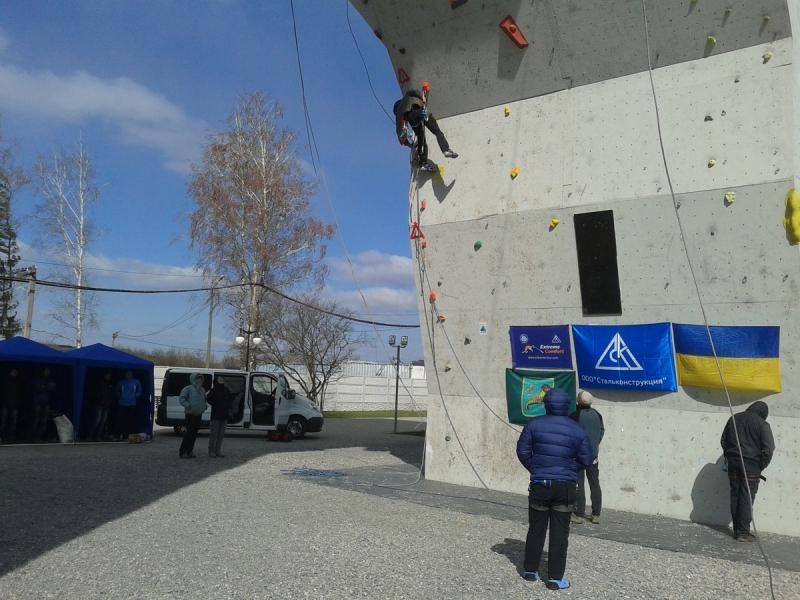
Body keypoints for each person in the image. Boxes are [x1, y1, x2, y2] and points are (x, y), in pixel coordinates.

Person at [516, 387, 592, 591]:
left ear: (546, 404)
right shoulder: (577, 429)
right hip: (565, 486)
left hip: (541, 484)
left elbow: (522, 450)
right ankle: (555, 578)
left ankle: (530, 571)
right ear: (566, 406)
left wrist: (536, 468)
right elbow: (586, 457)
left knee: (536, 528)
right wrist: (569, 469)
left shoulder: (534, 424)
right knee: (560, 533)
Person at [721, 401, 774, 542]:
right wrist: (760, 466)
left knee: (736, 495)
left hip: (733, 463)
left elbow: (723, 440)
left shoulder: (734, 418)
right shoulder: (762, 424)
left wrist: (730, 456)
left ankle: (738, 531)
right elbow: (768, 449)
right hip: (751, 465)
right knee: (746, 497)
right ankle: (743, 533)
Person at [393, 88, 458, 173]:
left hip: (414, 123)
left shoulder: (399, 116)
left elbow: (400, 135)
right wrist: (421, 96)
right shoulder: (406, 98)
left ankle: (423, 163)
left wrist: (410, 144)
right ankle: (445, 149)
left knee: (421, 141)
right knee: (437, 131)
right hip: (418, 113)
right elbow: (412, 91)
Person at [570, 391, 605, 525]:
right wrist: (595, 443)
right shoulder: (597, 414)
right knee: (595, 484)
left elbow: (571, 435)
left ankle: (579, 513)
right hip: (593, 455)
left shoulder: (575, 415)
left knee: (579, 484)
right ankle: (596, 514)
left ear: (579, 401)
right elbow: (601, 431)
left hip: (579, 456)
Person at [178, 373, 207, 458]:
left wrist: (204, 407)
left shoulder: (202, 390)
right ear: (193, 379)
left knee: (194, 434)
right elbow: (181, 399)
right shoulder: (187, 389)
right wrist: (188, 406)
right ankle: (183, 451)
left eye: (200, 378)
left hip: (199, 414)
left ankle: (190, 451)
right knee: (189, 434)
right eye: (197, 378)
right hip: (190, 414)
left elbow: (204, 400)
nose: (199, 380)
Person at [206, 375, 232, 458]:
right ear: (216, 380)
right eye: (220, 379)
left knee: (221, 435)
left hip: (224, 416)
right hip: (216, 416)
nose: (222, 380)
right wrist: (216, 405)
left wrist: (228, 407)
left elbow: (230, 399)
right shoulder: (213, 390)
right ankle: (211, 451)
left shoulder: (226, 390)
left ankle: (218, 451)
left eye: (222, 379)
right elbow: (209, 399)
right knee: (214, 434)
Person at [115, 370, 142, 441]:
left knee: (129, 421)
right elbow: (117, 391)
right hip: (122, 403)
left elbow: (140, 391)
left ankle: (126, 436)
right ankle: (117, 435)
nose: (128, 375)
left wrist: (135, 396)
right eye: (127, 373)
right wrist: (121, 396)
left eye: (129, 373)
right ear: (125, 374)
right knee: (120, 420)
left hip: (132, 404)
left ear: (132, 374)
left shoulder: (136, 381)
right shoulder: (121, 382)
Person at [31, 367, 56, 441]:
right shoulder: (38, 379)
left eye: (48, 371)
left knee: (44, 420)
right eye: (46, 371)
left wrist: (45, 387)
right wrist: (45, 387)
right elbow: (38, 388)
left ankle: (40, 436)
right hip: (38, 401)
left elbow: (52, 388)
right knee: (36, 419)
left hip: (46, 402)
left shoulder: (50, 380)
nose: (47, 372)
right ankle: (33, 436)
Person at [89, 372, 115, 441]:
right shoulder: (100, 383)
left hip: (106, 404)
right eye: (107, 375)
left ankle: (98, 436)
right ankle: (90, 436)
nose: (108, 376)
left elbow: (110, 395)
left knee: (103, 422)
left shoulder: (110, 384)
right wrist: (99, 398)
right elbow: (95, 393)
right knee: (97, 421)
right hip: (99, 404)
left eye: (109, 375)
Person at [1, 368, 22, 443]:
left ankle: (11, 437)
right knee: (4, 421)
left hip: (15, 404)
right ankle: (3, 436)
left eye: (15, 372)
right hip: (6, 404)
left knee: (13, 422)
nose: (14, 373)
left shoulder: (18, 382)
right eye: (13, 372)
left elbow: (19, 394)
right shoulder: (5, 381)